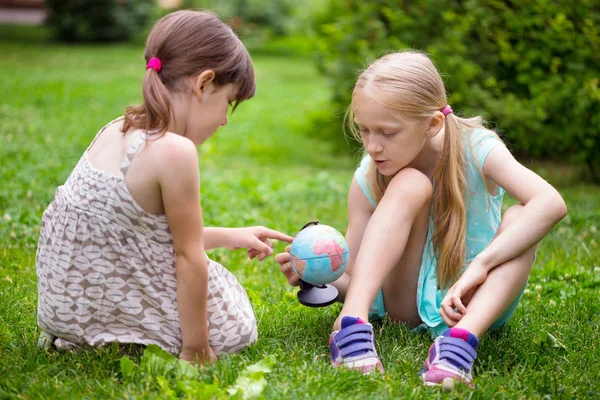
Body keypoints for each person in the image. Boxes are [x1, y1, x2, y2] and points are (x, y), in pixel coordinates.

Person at [276, 51, 567, 385]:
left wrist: (483, 264)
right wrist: (318, 273)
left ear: (432, 124)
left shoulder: (477, 148)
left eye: (387, 132)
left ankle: (459, 344)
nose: (372, 146)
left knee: (521, 215)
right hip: (405, 305)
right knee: (410, 183)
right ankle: (351, 325)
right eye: (364, 130)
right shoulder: (368, 177)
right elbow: (357, 273)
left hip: (473, 304)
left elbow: (550, 203)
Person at [36, 10, 293, 365]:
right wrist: (196, 347)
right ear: (203, 84)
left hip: (65, 310)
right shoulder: (175, 152)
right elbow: (187, 257)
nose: (223, 119)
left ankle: (101, 336)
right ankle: (137, 335)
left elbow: (137, 238)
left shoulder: (117, 128)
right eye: (227, 103)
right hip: (102, 299)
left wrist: (231, 235)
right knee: (237, 323)